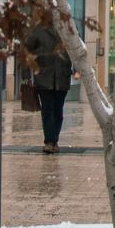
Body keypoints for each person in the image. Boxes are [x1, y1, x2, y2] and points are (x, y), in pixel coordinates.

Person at [24, 19, 74, 153]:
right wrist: (26, 74)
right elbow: (26, 51)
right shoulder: (38, 30)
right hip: (44, 76)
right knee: (48, 110)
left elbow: (77, 50)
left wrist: (79, 69)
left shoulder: (68, 29)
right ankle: (49, 141)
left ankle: (54, 140)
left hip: (62, 77)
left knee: (58, 111)